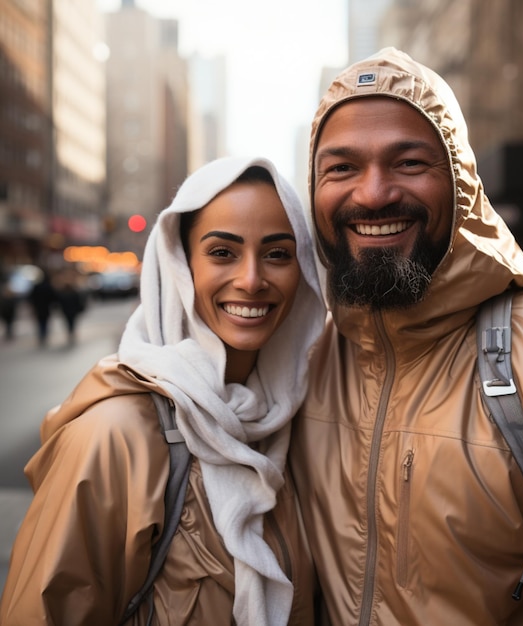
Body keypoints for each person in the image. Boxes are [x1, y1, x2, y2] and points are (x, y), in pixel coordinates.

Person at [289, 48, 523, 625]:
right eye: (341, 168)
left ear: (461, 182)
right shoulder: (298, 365)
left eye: (409, 163)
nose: (373, 194)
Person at [0, 156, 326, 626]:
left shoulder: (299, 420)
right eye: (222, 252)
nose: (252, 279)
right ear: (179, 265)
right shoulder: (111, 438)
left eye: (277, 253)